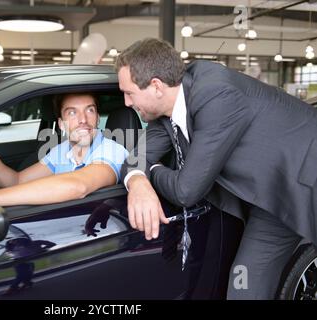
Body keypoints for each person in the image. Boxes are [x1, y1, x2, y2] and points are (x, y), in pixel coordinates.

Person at [116, 38, 317, 299]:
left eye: (129, 93)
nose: (126, 103)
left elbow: (186, 191)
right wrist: (137, 182)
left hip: (307, 177)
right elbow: (136, 158)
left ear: (156, 86)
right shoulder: (163, 114)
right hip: (272, 200)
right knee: (244, 283)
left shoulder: (217, 94)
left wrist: (151, 170)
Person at [0, 92, 128, 207]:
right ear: (61, 124)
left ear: (98, 118)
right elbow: (17, 181)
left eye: (90, 110)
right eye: (72, 112)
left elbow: (77, 186)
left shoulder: (112, 150)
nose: (83, 120)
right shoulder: (61, 150)